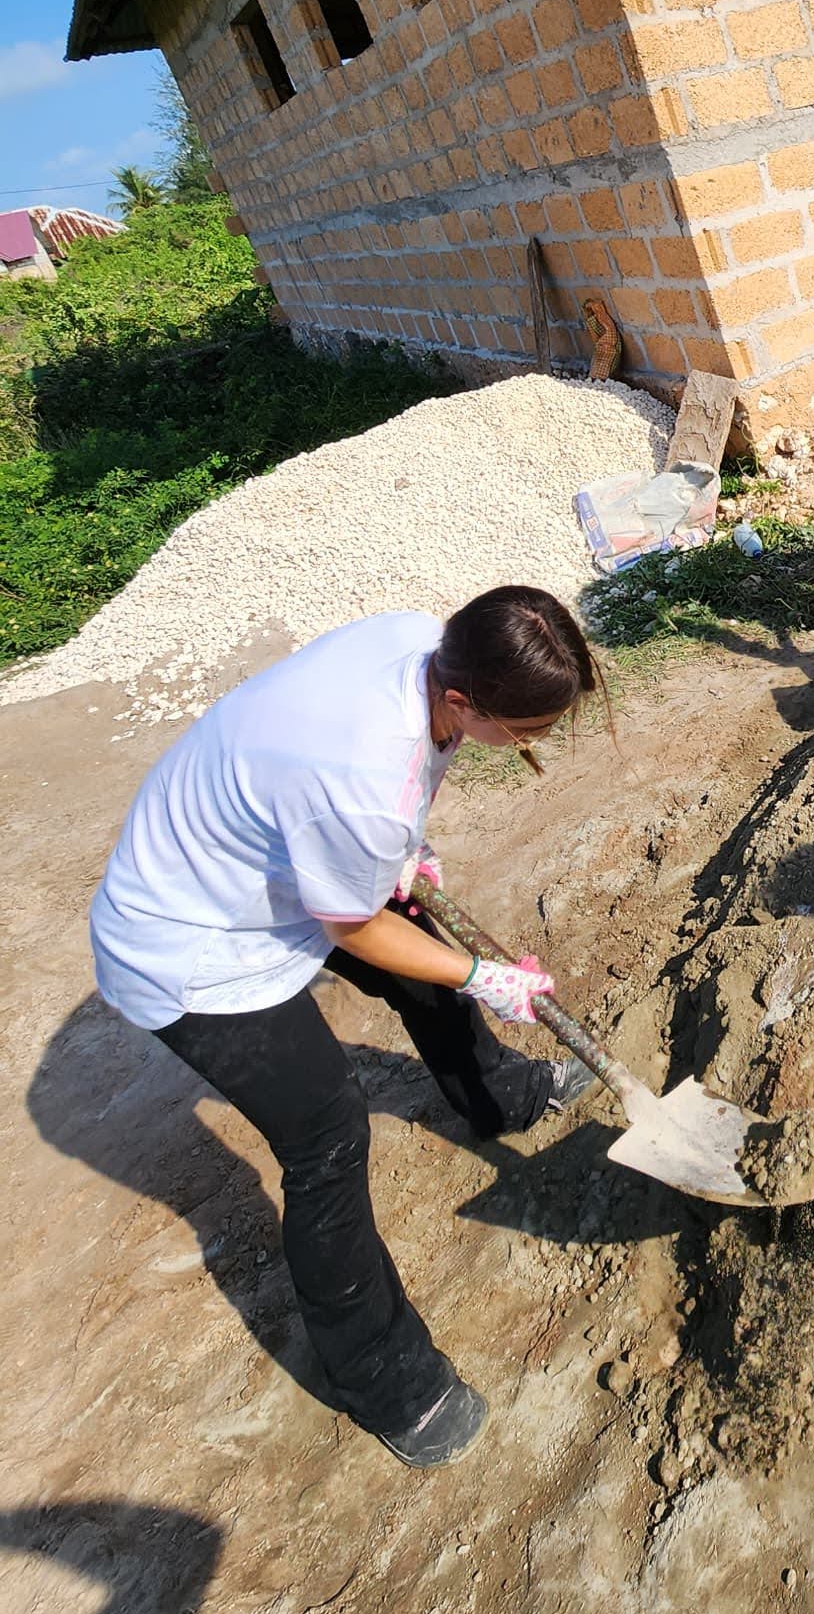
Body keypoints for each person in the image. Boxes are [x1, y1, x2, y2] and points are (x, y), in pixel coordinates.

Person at [90, 586, 603, 1467]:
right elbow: (355, 923)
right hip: (192, 942)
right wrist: (489, 978)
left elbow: (375, 829)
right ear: (461, 700)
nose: (531, 749)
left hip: (272, 857)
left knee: (426, 954)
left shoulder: (425, 641)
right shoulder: (362, 783)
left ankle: (501, 1093)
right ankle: (386, 1380)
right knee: (326, 1135)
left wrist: (404, 854)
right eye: (522, 735)